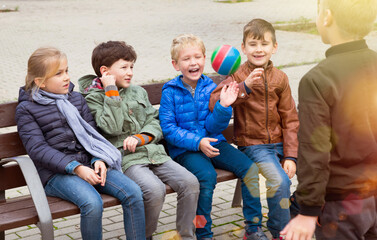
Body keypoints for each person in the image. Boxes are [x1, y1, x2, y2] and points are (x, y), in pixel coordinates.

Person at [15, 47, 145, 240]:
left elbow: (92, 135)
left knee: (133, 192)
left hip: (89, 165)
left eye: (66, 71)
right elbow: (38, 150)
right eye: (58, 74)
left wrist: (99, 159)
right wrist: (76, 168)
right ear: (40, 82)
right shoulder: (26, 109)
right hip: (56, 174)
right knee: (92, 203)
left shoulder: (75, 99)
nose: (67, 77)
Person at [78, 41, 200, 240]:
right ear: (105, 71)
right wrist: (111, 92)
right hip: (127, 160)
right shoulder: (92, 98)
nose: (130, 72)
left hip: (154, 153)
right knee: (154, 190)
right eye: (124, 67)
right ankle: (144, 236)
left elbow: (154, 121)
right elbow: (112, 128)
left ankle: (186, 236)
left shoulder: (138, 92)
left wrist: (142, 137)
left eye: (132, 67)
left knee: (190, 182)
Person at [281, 0, 377, 239]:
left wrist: (308, 211)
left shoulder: (317, 80)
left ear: (327, 17)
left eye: (318, 11)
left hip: (341, 206)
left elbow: (314, 153)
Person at [159, 33, 261, 240]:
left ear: (205, 59)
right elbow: (168, 129)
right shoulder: (170, 91)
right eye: (186, 59)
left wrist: (224, 106)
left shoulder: (212, 87)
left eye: (197, 57)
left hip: (214, 142)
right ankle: (203, 232)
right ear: (175, 64)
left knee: (250, 169)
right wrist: (198, 142)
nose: (193, 62)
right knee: (206, 177)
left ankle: (253, 227)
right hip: (186, 150)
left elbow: (214, 126)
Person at [209, 18, 299, 240]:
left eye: (264, 44)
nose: (259, 49)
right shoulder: (237, 75)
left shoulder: (280, 78)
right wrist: (244, 86)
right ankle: (280, 231)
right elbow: (214, 101)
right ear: (243, 48)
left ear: (274, 47)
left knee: (319, 167)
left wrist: (291, 156)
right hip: (254, 146)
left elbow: (290, 119)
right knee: (280, 182)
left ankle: (299, 211)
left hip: (280, 143)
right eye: (253, 44)